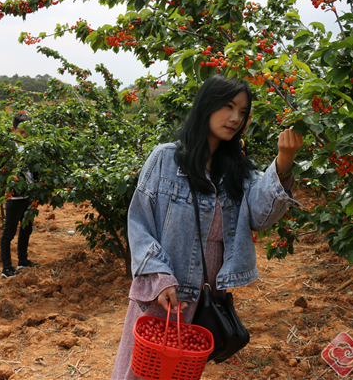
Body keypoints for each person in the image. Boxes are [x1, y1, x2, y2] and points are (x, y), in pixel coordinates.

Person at [111, 74, 303, 379]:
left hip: (205, 297)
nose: (235, 118)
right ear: (206, 105)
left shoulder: (238, 172)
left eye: (242, 112)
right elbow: (139, 221)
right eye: (228, 106)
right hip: (166, 291)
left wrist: (285, 159)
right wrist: (159, 276)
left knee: (180, 371)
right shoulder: (166, 159)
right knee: (143, 369)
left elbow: (261, 216)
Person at [0, 113, 41, 279]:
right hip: (14, 197)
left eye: (28, 132)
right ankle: (6, 268)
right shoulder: (8, 150)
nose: (25, 136)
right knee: (9, 232)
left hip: (29, 196)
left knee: (26, 228)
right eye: (21, 132)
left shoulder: (32, 147)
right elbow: (3, 173)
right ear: (13, 130)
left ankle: (22, 261)